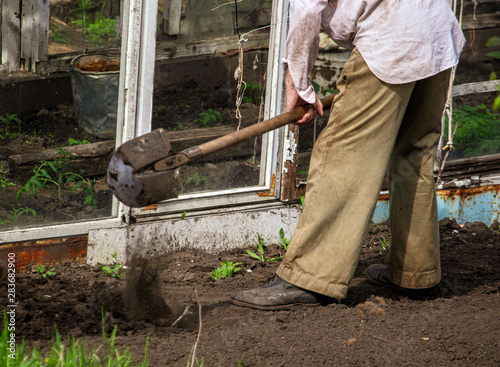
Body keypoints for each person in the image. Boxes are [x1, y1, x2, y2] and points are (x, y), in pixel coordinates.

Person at [231, 0, 465, 310]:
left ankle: (308, 277)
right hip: (435, 32)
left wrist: (297, 81)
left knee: (343, 154)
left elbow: (306, 10)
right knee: (414, 154)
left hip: (390, 40)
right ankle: (415, 273)